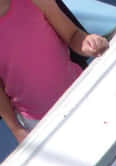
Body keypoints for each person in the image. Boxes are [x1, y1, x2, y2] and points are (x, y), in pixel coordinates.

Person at [0, 0, 109, 144]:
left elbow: (72, 35)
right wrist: (17, 129)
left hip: (82, 93)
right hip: (39, 124)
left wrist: (89, 42)